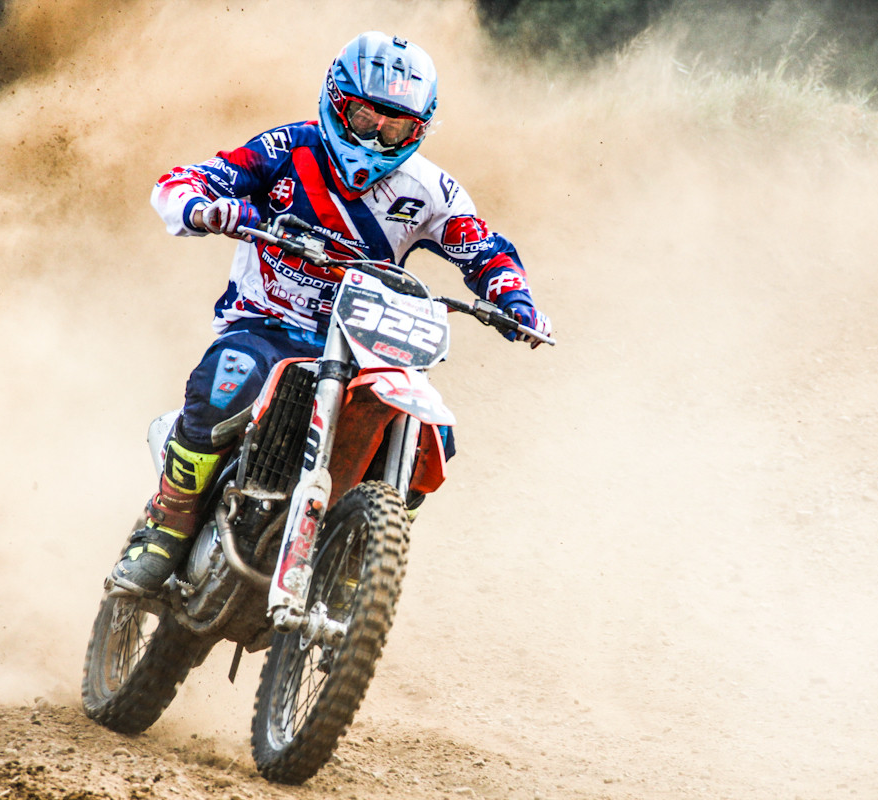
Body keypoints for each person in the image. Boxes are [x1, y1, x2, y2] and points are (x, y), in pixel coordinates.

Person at [109, 31, 553, 595]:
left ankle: (359, 564)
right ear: (337, 101)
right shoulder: (287, 148)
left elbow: (485, 249)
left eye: (395, 127)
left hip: (363, 340)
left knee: (432, 436)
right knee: (227, 380)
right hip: (267, 322)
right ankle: (166, 526)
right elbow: (187, 180)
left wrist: (516, 301)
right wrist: (204, 208)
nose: (377, 135)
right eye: (365, 117)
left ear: (418, 130)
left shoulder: (431, 191)